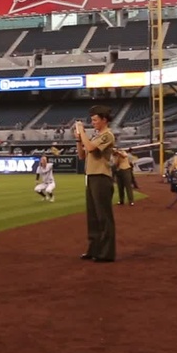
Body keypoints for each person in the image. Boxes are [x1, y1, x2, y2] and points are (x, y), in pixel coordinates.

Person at [75, 105, 116, 263]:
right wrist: (79, 138)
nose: (92, 123)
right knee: (93, 217)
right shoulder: (96, 136)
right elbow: (81, 155)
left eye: (95, 120)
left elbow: (91, 148)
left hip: (101, 177)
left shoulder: (107, 135)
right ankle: (94, 249)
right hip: (92, 177)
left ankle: (106, 253)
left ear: (104, 120)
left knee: (103, 217)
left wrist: (83, 133)